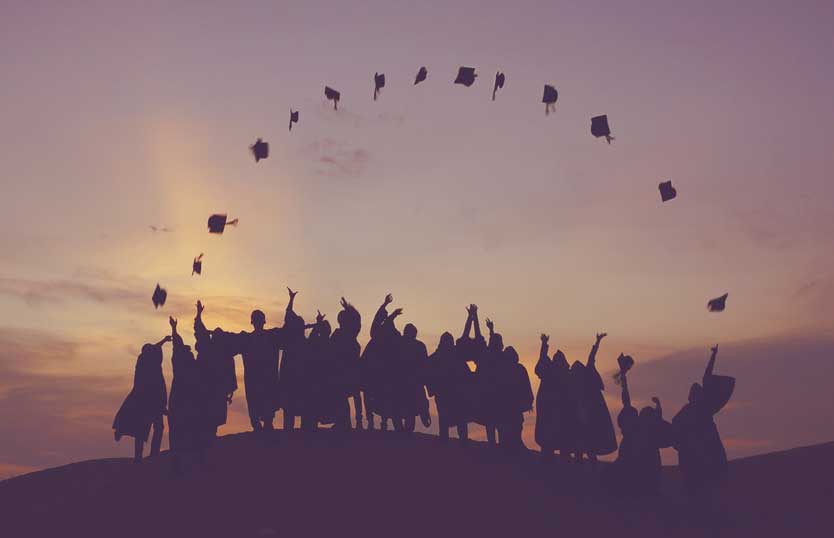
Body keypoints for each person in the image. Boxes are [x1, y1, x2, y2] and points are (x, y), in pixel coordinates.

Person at [672, 345, 734, 498]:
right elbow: (676, 430)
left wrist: (713, 356)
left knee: (711, 484)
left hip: (708, 449)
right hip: (694, 455)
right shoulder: (688, 411)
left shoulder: (704, 407)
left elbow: (706, 376)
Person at [113, 334, 170, 463]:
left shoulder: (147, 363)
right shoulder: (145, 365)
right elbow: (155, 349)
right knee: (145, 429)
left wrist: (164, 341)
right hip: (148, 402)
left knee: (152, 428)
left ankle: (149, 454)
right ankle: (145, 455)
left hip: (153, 403)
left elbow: (155, 347)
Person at [193, 300, 238, 443]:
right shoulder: (220, 350)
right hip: (210, 387)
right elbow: (199, 329)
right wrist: (198, 314)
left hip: (214, 387)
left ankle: (209, 436)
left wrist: (199, 314)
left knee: (212, 413)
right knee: (210, 413)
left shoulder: (213, 348)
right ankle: (208, 436)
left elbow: (199, 330)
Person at [167, 316, 206, 473]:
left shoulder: (187, 366)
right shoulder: (187, 366)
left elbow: (177, 345)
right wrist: (174, 329)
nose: (191, 354)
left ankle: (182, 464)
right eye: (189, 352)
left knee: (183, 434)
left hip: (183, 404)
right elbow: (177, 345)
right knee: (181, 433)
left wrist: (174, 329)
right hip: (182, 404)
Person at [571, 333, 617, 462]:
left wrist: (597, 342)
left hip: (590, 419)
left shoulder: (587, 381)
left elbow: (591, 358)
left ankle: (590, 467)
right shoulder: (573, 388)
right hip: (580, 420)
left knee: (589, 448)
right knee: (580, 449)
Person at [238, 308, 283, 432]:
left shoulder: (271, 336)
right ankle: (261, 426)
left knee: (265, 407)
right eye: (257, 320)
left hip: (265, 379)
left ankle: (265, 426)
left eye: (259, 320)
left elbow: (289, 331)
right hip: (256, 380)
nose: (258, 323)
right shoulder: (248, 339)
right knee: (256, 406)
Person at [534, 334, 577, 461]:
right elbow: (541, 364)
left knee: (562, 442)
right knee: (549, 442)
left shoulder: (564, 375)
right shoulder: (549, 372)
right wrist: (544, 345)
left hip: (561, 413)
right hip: (549, 412)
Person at [426, 332, 470, 443]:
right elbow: (427, 371)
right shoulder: (442, 357)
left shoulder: (454, 356)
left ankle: (455, 440)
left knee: (455, 418)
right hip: (447, 393)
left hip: (454, 393)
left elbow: (466, 374)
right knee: (451, 418)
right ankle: (453, 440)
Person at [279, 287, 313, 431]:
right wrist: (291, 299)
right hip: (294, 381)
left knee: (291, 411)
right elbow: (288, 315)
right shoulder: (299, 342)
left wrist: (291, 299)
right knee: (294, 410)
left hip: (295, 381)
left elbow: (288, 315)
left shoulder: (293, 342)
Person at [495, 345, 534, 453]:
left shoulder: (517, 369)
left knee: (514, 430)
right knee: (508, 431)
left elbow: (526, 387)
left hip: (513, 408)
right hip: (507, 408)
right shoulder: (503, 370)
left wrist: (527, 401)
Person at [331, 297, 363, 430]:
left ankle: (350, 422)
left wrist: (347, 308)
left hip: (345, 368)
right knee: (349, 395)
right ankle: (349, 422)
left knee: (346, 394)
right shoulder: (349, 335)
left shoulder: (344, 334)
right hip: (347, 367)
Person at [395, 323, 432, 432]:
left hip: (407, 383)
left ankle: (403, 431)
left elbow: (425, 366)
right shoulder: (418, 346)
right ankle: (405, 432)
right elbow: (425, 366)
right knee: (408, 410)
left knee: (406, 410)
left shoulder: (399, 343)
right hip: (409, 383)